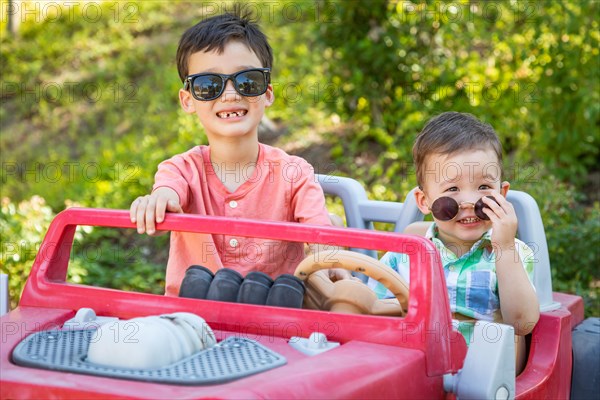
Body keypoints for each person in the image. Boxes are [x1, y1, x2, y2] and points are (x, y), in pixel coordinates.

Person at [129, 9, 338, 296]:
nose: (230, 94)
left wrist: (329, 262)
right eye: (208, 85)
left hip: (276, 324)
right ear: (188, 100)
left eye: (247, 81)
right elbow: (168, 192)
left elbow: (322, 239)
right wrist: (159, 201)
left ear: (267, 93)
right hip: (194, 321)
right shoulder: (180, 170)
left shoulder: (294, 173)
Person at [368, 111, 540, 371]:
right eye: (452, 190)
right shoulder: (403, 256)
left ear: (502, 194)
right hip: (408, 369)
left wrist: (504, 246)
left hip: (478, 380)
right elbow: (372, 312)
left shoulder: (510, 254)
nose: (469, 202)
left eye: (484, 187)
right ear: (424, 202)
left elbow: (523, 323)